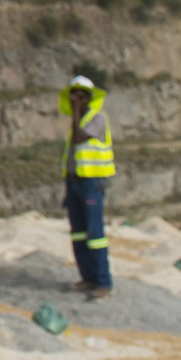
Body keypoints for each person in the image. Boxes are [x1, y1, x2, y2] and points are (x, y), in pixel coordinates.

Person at [61, 72, 115, 293]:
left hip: (91, 184)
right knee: (78, 233)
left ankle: (103, 281)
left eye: (82, 97)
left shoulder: (97, 118)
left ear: (90, 99)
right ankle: (87, 277)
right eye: (74, 97)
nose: (78, 101)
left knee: (95, 234)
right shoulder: (78, 121)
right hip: (74, 183)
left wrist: (75, 112)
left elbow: (79, 138)